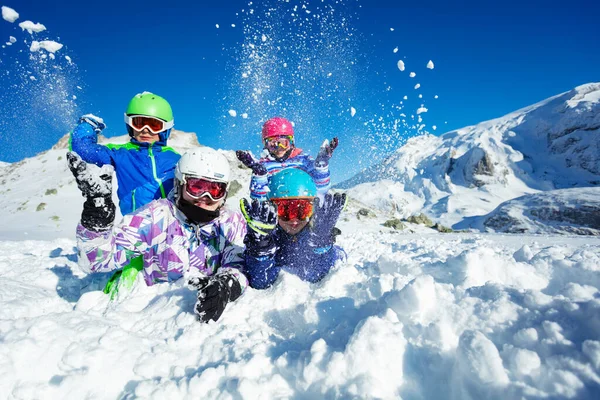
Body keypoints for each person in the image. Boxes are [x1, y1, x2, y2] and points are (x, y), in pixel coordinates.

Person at [68, 147, 248, 323]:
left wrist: (226, 285)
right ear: (180, 184)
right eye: (196, 186)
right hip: (155, 319)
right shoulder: (156, 217)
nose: (205, 196)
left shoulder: (230, 223)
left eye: (215, 189)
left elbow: (239, 263)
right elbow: (95, 260)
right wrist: (97, 219)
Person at [70, 91, 180, 216]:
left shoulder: (176, 159)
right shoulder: (121, 154)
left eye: (154, 125)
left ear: (165, 129)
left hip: (173, 225)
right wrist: (87, 126)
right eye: (138, 123)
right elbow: (84, 150)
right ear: (130, 125)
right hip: (135, 226)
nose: (145, 130)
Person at [240, 168, 346, 289]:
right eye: (284, 210)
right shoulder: (268, 237)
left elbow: (328, 268)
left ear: (313, 210)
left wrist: (322, 244)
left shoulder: (315, 234)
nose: (293, 219)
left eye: (302, 210)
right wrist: (261, 248)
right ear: (271, 209)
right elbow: (261, 282)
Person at [235, 117, 338, 201]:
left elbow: (321, 189)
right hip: (279, 215)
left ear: (291, 142)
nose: (279, 148)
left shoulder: (303, 161)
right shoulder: (264, 166)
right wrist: (259, 176)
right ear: (265, 145)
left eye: (283, 143)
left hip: (305, 209)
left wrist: (321, 166)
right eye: (273, 143)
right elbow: (258, 199)